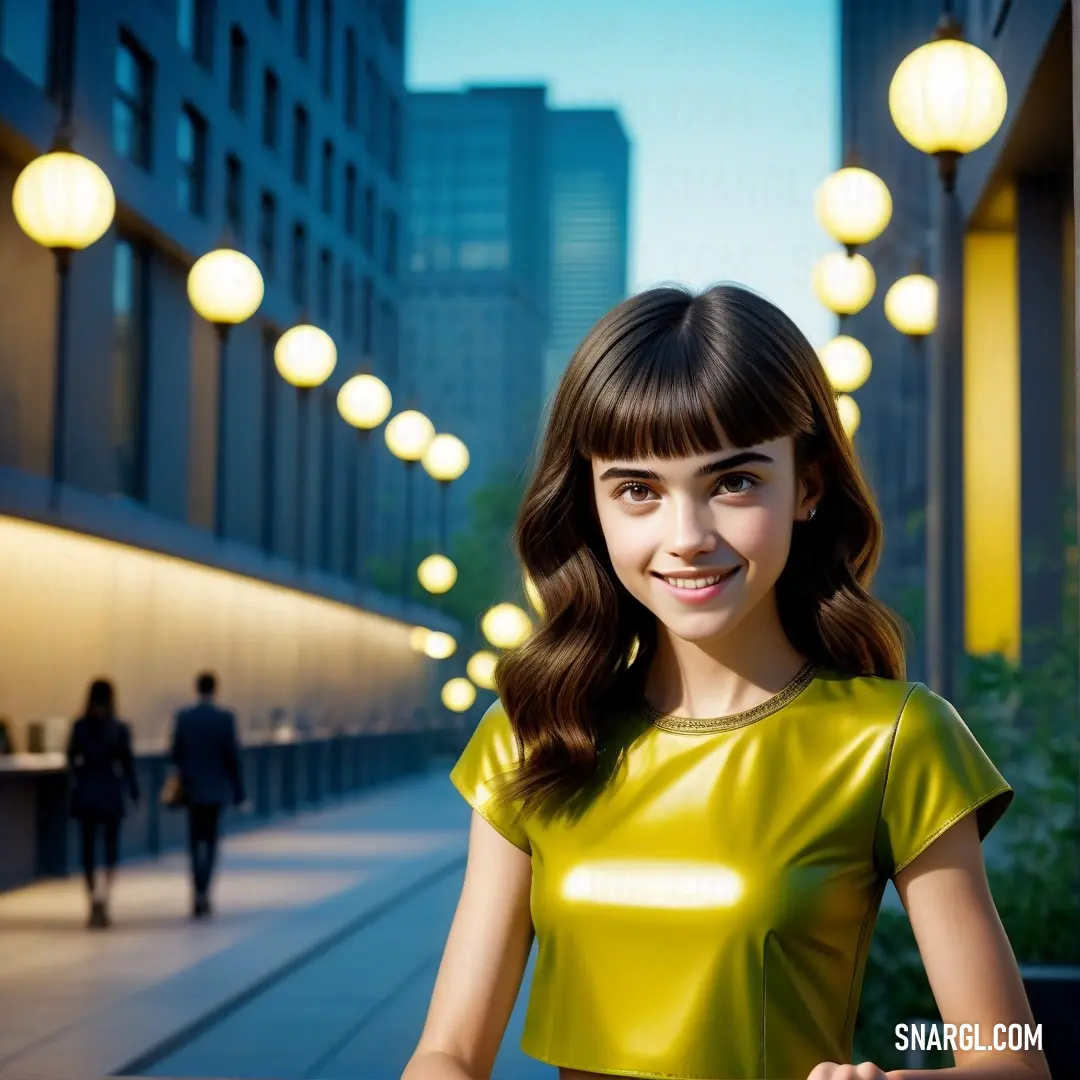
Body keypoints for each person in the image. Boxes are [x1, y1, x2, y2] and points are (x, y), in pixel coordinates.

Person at [402, 285, 1051, 1080]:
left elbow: (1015, 1061)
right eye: (638, 490)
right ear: (592, 504)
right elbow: (448, 1052)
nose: (687, 538)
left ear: (807, 486)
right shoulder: (534, 732)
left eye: (734, 482)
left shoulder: (895, 740)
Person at [66, 679, 140, 929]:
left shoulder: (79, 726)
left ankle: (92, 899)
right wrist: (134, 792)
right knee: (110, 848)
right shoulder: (119, 728)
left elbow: (71, 758)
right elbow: (127, 764)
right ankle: (105, 897)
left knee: (87, 849)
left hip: (86, 790)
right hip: (110, 791)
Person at [170, 672, 245, 919]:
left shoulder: (184, 718)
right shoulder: (225, 719)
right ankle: (205, 890)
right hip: (215, 790)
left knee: (194, 840)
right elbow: (232, 758)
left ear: (196, 689)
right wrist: (239, 792)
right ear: (215, 690)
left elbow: (175, 753)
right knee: (211, 841)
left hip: (192, 788)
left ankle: (196, 889)